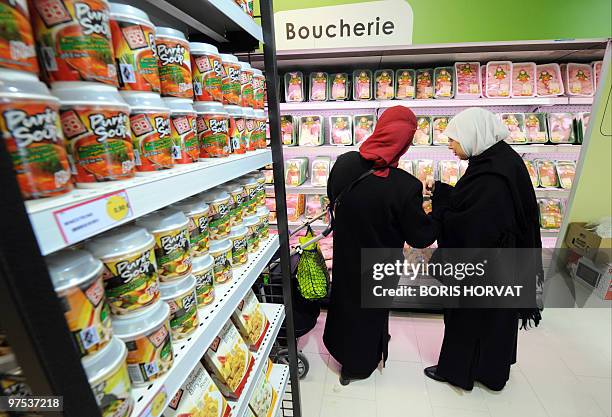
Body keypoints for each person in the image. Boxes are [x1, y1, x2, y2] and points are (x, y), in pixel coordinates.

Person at [424, 107, 542, 391]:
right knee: (495, 322)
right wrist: (440, 191)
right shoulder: (500, 162)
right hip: (502, 264)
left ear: (473, 135)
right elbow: (474, 205)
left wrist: (437, 213)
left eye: (454, 139)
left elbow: (470, 225)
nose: (449, 145)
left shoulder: (490, 176)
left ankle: (457, 372)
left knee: (468, 319)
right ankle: (491, 373)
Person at [323, 106, 439, 385]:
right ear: (405, 142)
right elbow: (420, 237)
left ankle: (343, 355)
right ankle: (359, 365)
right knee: (370, 312)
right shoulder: (406, 186)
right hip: (380, 262)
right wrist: (440, 207)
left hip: (347, 253)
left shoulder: (344, 163)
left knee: (345, 304)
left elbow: (332, 194)